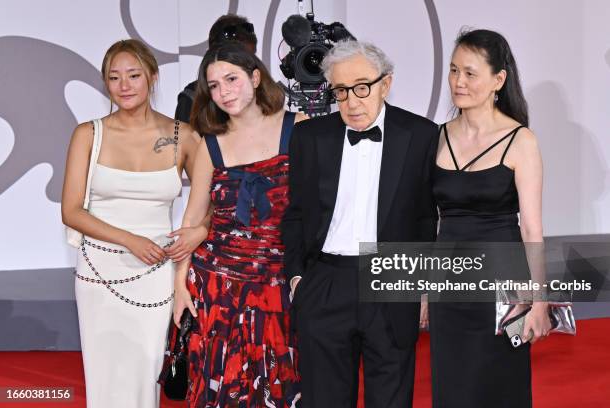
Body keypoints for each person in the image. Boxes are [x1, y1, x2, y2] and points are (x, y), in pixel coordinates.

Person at [281, 40, 438, 408]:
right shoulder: (309, 137)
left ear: (386, 83)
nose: (351, 102)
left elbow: (426, 217)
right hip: (325, 282)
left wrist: (424, 286)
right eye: (340, 91)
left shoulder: (421, 135)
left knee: (391, 398)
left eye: (362, 88)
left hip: (392, 277)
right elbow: (297, 213)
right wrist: (296, 276)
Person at [61, 39, 200, 407]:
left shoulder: (182, 136)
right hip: (98, 271)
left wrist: (197, 232)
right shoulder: (88, 134)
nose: (124, 85)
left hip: (156, 274)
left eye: (134, 75)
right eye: (114, 77)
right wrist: (129, 240)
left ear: (152, 77)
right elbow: (71, 210)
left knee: (145, 373)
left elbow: (210, 204)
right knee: (103, 377)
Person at [172, 42, 307, 407]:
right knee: (222, 390)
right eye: (214, 86)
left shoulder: (299, 129)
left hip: (281, 285)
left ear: (256, 77)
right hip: (219, 288)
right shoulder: (210, 145)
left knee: (284, 389)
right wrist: (180, 286)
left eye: (231, 79)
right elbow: (192, 218)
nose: (224, 92)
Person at [428, 28, 551, 407]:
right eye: (453, 71)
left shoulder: (521, 140)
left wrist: (539, 300)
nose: (458, 82)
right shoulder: (436, 136)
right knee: (453, 388)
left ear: (499, 79)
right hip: (448, 286)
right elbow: (427, 220)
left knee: (500, 387)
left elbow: (531, 228)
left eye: (469, 73)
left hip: (503, 286)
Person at [175, 14, 257, 124]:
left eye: (251, 57)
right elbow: (179, 140)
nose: (247, 65)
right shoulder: (191, 99)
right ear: (215, 55)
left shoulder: (263, 96)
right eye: (237, 60)